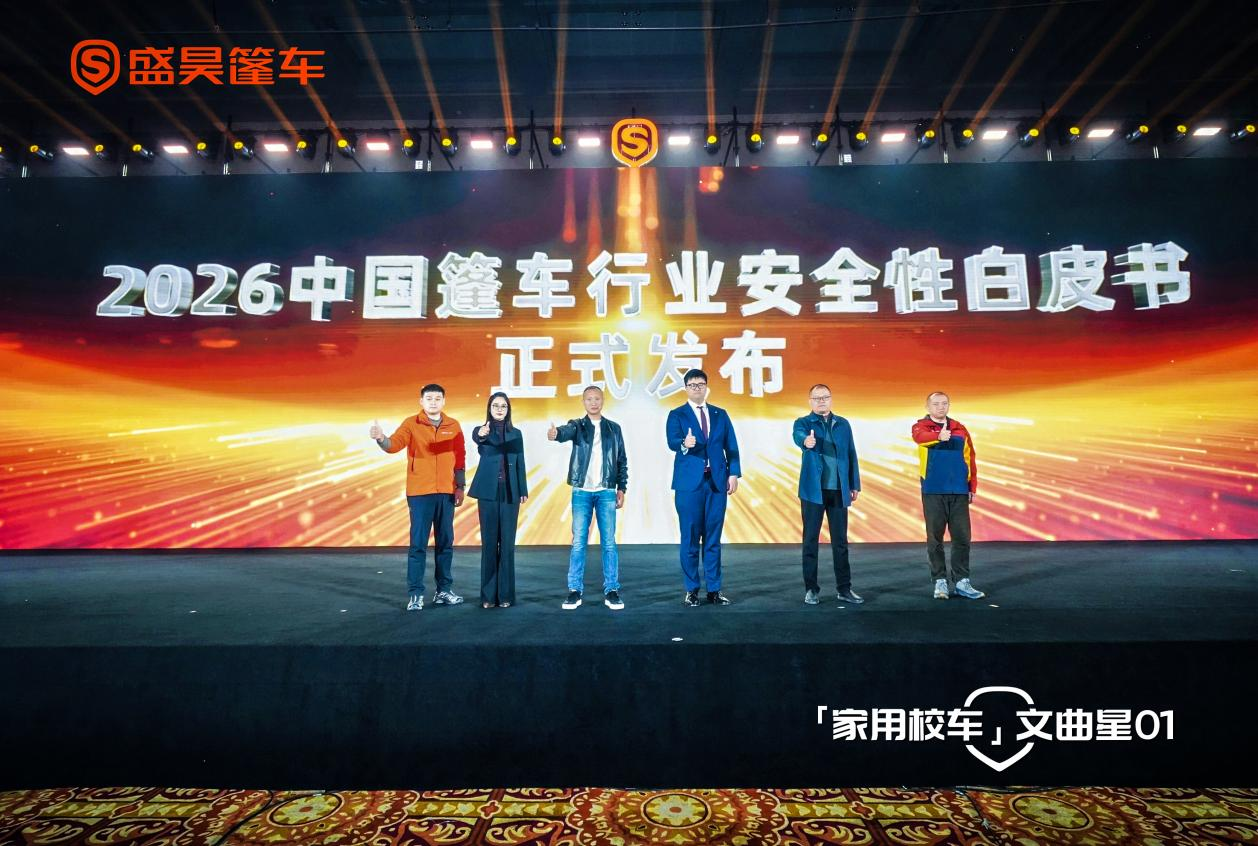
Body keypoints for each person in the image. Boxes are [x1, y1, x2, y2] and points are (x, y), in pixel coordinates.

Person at [369, 384, 466, 611]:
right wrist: (381, 438)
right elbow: (394, 445)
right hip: (420, 493)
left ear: (444, 401)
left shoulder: (453, 425)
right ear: (421, 401)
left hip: (446, 492)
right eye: (429, 398)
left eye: (437, 398)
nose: (433, 402)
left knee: (445, 543)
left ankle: (444, 590)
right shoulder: (411, 423)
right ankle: (415, 594)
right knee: (418, 545)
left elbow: (460, 456)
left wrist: (460, 486)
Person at [547, 385, 629, 611]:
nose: (593, 402)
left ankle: (612, 590)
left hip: (606, 491)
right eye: (589, 399)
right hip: (582, 491)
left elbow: (621, 460)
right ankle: (574, 590)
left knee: (609, 542)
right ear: (583, 402)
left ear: (603, 401)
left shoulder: (614, 429)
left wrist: (621, 488)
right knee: (578, 542)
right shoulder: (577, 425)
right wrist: (556, 434)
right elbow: (564, 432)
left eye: (597, 399)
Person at [666, 369, 741, 606]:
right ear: (686, 388)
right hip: (689, 485)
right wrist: (684, 443)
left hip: (716, 483)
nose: (697, 388)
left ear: (707, 387)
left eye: (701, 384)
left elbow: (732, 446)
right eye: (692, 385)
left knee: (713, 538)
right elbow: (672, 441)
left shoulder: (720, 414)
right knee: (690, 537)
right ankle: (691, 590)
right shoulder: (677, 414)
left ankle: (714, 590)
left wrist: (733, 473)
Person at [793, 384, 864, 605]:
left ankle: (844, 589)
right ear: (810, 401)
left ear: (831, 399)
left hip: (838, 489)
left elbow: (851, 453)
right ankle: (811, 589)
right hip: (813, 491)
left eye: (825, 397)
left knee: (840, 542)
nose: (821, 401)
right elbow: (798, 436)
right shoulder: (803, 423)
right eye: (817, 398)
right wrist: (806, 441)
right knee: (810, 541)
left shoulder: (843, 424)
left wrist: (854, 483)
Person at [911, 391, 985, 600]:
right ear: (928, 407)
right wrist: (938, 436)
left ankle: (962, 581)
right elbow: (919, 438)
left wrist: (971, 486)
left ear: (949, 406)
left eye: (944, 403)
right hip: (933, 490)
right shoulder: (921, 427)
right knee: (935, 538)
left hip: (959, 491)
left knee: (962, 538)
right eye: (936, 404)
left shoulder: (960, 429)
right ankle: (940, 581)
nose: (940, 407)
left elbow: (969, 457)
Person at [468, 392, 528, 609]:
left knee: (507, 545)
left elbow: (520, 462)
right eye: (496, 406)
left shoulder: (516, 433)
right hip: (488, 493)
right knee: (490, 544)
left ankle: (505, 595)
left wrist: (523, 488)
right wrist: (482, 434)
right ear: (489, 409)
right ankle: (487, 596)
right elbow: (478, 438)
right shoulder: (482, 430)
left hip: (511, 492)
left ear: (508, 409)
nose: (500, 409)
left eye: (503, 406)